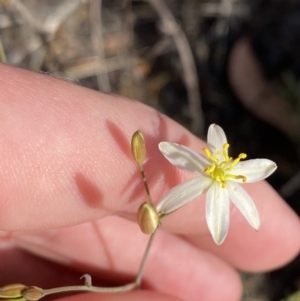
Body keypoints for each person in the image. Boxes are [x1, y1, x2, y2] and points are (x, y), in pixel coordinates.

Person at [0, 63, 299, 301]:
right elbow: (170, 159)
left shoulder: (224, 187)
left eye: (224, 166)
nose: (222, 168)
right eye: (221, 165)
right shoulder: (198, 170)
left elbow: (214, 219)